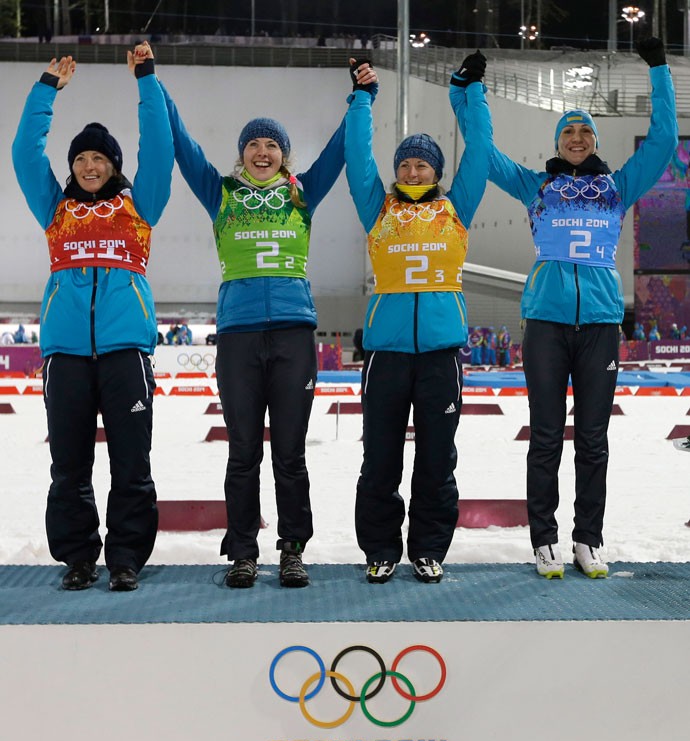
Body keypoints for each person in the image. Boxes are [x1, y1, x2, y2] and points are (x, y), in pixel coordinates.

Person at [460, 37, 677, 579]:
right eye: (568, 131)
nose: (577, 137)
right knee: (546, 434)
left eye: (584, 130)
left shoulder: (617, 187)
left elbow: (665, 142)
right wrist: (469, 93)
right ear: (557, 142)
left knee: (595, 438)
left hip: (600, 324)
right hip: (547, 325)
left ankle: (588, 538)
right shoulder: (537, 187)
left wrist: (658, 70)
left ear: (594, 141)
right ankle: (544, 538)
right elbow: (482, 155)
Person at [159, 62, 378, 589]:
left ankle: (292, 549)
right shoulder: (222, 195)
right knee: (242, 452)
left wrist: (362, 97)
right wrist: (153, 84)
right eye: (254, 145)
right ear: (242, 155)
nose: (262, 152)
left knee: (290, 454)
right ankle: (242, 552)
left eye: (272, 146)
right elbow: (184, 148)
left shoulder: (303, 195)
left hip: (292, 335)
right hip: (237, 335)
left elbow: (340, 151)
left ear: (284, 156)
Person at [12, 44, 174, 592]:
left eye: (99, 159)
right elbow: (22, 153)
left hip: (126, 350)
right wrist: (45, 89)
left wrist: (146, 81)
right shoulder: (55, 208)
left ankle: (127, 556)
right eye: (81, 158)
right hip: (66, 354)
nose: (88, 166)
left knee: (132, 463)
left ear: (113, 166)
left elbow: (160, 149)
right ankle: (78, 557)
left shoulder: (139, 207)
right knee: (69, 466)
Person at [344, 51, 492, 584]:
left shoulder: (456, 208)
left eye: (421, 164)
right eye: (405, 163)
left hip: (439, 355)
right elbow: (356, 156)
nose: (411, 171)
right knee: (380, 461)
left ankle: (429, 548)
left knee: (437, 462)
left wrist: (471, 93)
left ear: (437, 171)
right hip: (385, 355)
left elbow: (481, 152)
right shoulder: (377, 208)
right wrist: (362, 98)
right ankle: (380, 549)